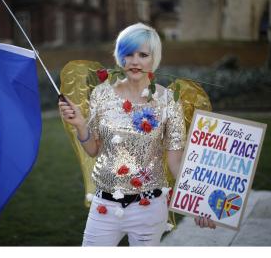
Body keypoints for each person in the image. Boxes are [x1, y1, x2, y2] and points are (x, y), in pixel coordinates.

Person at [58, 23, 216, 245]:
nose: (134, 61)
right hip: (104, 207)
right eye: (128, 54)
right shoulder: (102, 94)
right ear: (119, 57)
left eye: (143, 55)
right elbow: (93, 150)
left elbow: (175, 162)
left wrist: (200, 203)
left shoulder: (168, 101)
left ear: (154, 59)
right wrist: (81, 125)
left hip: (149, 209)